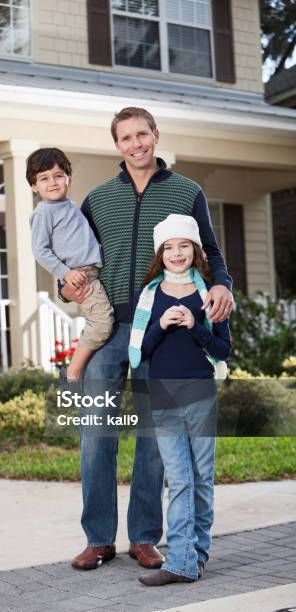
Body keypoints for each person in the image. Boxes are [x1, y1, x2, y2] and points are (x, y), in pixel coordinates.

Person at [59, 107, 234, 571]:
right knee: (96, 434)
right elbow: (80, 261)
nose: (135, 144)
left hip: (163, 335)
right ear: (116, 145)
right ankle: (98, 539)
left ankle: (144, 537)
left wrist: (221, 285)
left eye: (142, 134)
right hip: (108, 332)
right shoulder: (98, 199)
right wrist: (66, 285)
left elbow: (210, 253)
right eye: (125, 138)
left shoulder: (185, 191)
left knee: (155, 438)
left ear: (156, 136)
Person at [129, 214, 232, 586]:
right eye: (169, 247)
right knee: (179, 480)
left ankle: (196, 555)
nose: (176, 253)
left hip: (201, 395)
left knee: (202, 479)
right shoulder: (150, 294)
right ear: (160, 253)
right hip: (164, 399)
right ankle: (182, 561)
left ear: (195, 250)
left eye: (184, 246)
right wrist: (162, 324)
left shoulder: (209, 292)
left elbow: (224, 349)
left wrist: (197, 328)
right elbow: (138, 351)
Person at [28, 147, 114, 383]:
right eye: (44, 179)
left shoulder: (70, 206)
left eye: (58, 175)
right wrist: (65, 273)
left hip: (93, 271)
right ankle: (74, 370)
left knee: (100, 321)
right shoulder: (44, 212)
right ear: (34, 186)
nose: (52, 182)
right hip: (81, 276)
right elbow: (40, 250)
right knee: (103, 324)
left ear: (69, 178)